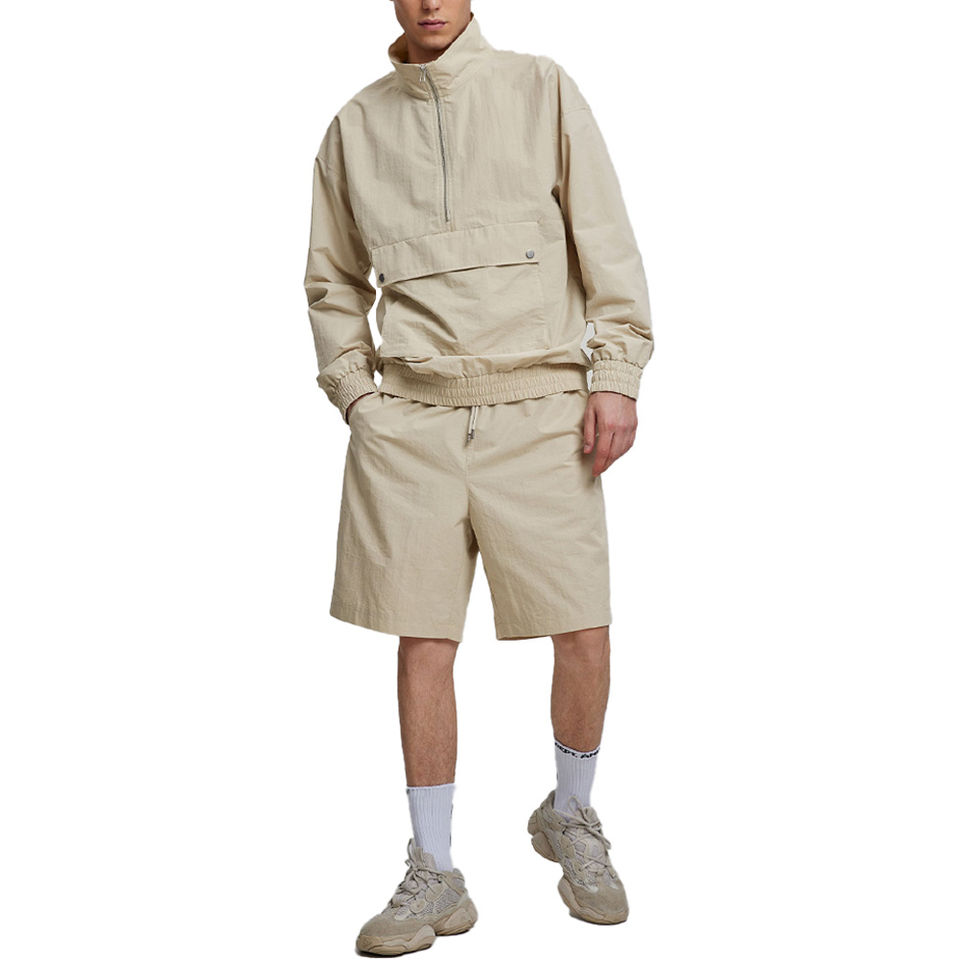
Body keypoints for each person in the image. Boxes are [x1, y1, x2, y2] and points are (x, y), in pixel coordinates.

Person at [303, 1, 653, 953]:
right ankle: (434, 871)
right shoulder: (355, 124)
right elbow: (331, 280)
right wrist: (358, 398)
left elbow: (606, 241)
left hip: (540, 405)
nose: (431, 0)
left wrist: (615, 375)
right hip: (410, 420)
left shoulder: (541, 87)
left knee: (580, 625)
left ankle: (570, 814)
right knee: (422, 639)